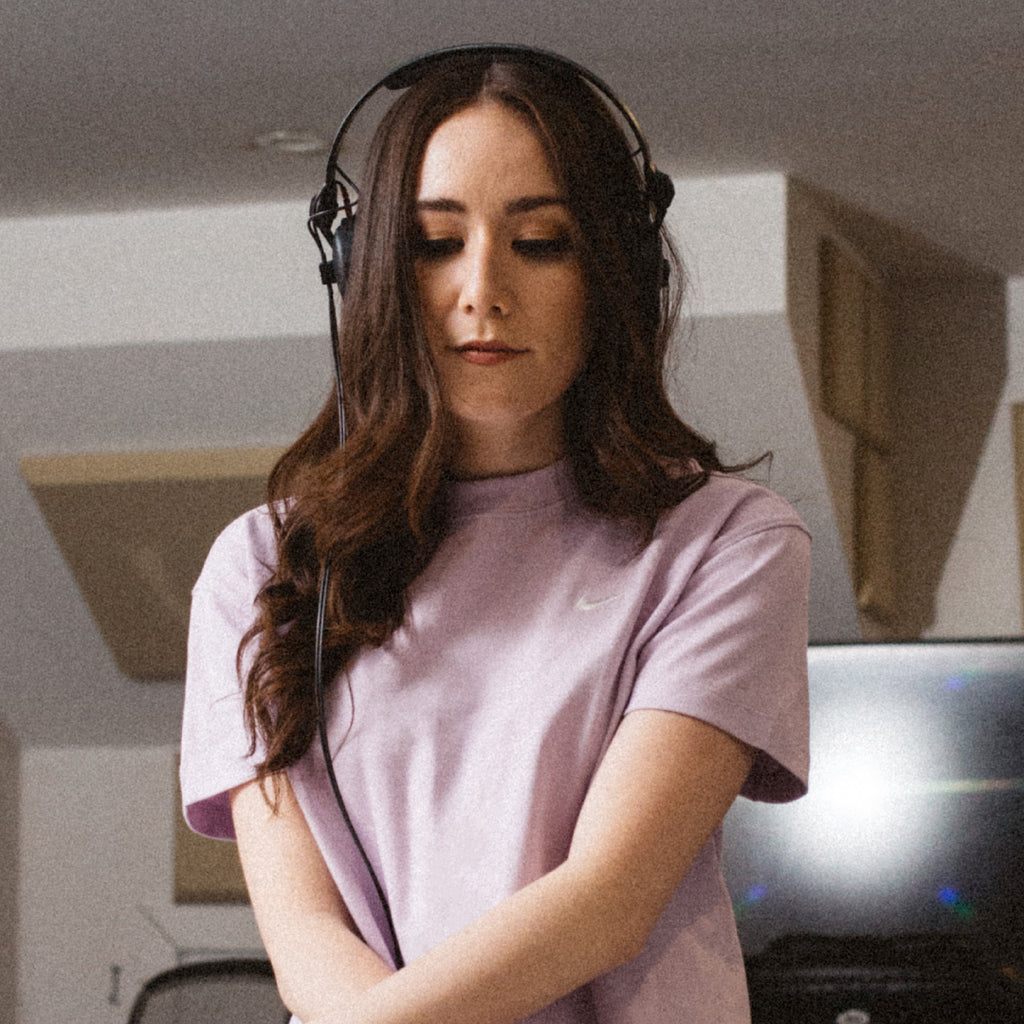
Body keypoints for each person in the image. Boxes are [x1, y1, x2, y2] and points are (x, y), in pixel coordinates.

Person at [180, 47, 810, 1024]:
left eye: (543, 241)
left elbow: (605, 903)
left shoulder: (728, 544)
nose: (482, 288)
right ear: (365, 270)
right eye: (436, 243)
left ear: (616, 269)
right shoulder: (262, 565)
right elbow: (304, 934)